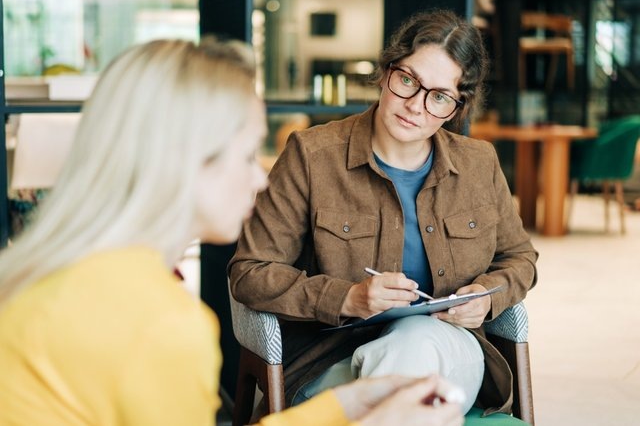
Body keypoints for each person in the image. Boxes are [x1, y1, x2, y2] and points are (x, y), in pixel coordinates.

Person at [0, 37, 464, 426]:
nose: (259, 179)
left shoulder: (57, 274)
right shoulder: (164, 326)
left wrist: (344, 407)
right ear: (182, 162)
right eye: (245, 156)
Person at [229, 9, 538, 418]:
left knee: (415, 342)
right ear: (386, 71)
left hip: (448, 351)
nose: (415, 106)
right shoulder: (312, 156)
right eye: (408, 81)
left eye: (439, 96)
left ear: (458, 107)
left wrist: (485, 299)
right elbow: (250, 272)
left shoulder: (479, 164)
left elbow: (521, 260)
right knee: (409, 387)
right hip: (330, 363)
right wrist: (348, 297)